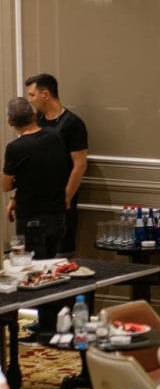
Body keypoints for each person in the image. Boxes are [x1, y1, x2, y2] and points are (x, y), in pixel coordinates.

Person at [23, 74, 88, 255]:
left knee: (60, 256)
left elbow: (80, 165)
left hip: (59, 202)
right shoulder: (36, 120)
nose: (30, 100)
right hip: (34, 202)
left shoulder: (73, 124)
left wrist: (66, 197)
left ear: (45, 94)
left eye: (32, 95)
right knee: (34, 257)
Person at [2, 97, 70, 258]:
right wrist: (15, 196)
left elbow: (5, 185)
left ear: (10, 121)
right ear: (34, 115)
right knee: (51, 265)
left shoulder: (15, 148)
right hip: (57, 215)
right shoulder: (54, 136)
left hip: (31, 218)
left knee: (33, 268)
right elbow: (54, 171)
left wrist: (15, 185)